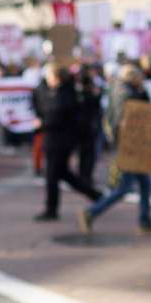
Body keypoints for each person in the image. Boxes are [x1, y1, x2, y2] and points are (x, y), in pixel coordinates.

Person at [78, 65, 151, 235]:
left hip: (129, 144)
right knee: (124, 187)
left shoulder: (118, 89)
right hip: (130, 145)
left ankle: (145, 220)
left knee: (144, 184)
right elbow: (133, 115)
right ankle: (91, 212)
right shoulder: (126, 92)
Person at [33, 63, 102, 221]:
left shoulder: (66, 94)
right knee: (63, 174)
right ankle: (95, 195)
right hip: (54, 138)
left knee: (52, 175)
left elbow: (58, 114)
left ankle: (51, 209)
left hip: (61, 139)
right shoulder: (53, 92)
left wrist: (42, 123)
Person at [76, 66, 104, 189]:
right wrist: (97, 95)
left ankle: (83, 175)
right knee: (88, 153)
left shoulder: (78, 90)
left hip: (83, 125)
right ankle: (85, 176)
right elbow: (94, 104)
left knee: (84, 152)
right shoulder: (88, 91)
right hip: (88, 124)